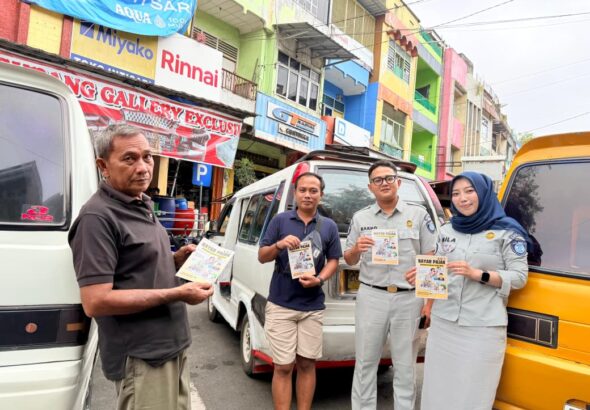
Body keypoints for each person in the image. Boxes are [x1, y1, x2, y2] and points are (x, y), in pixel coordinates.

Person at [68, 124, 213, 410]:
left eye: (147, 157)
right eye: (129, 158)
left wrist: (175, 260)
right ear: (103, 166)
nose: (143, 167)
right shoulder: (97, 218)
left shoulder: (141, 203)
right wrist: (177, 294)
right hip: (142, 358)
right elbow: (96, 302)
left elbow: (135, 265)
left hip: (172, 348)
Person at [406, 171, 528, 410]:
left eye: (469, 191)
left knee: (473, 394)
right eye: (456, 193)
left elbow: (520, 277)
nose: (462, 198)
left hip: (482, 326)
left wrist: (478, 274)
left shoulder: (507, 232)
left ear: (483, 193)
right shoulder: (447, 230)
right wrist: (421, 276)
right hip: (444, 323)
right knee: (438, 390)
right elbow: (438, 270)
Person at [345, 160, 437, 410]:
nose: (384, 183)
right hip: (371, 296)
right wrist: (356, 248)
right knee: (365, 363)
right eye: (377, 180)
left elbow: (431, 259)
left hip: (409, 299)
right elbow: (349, 259)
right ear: (370, 187)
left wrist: (429, 305)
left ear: (398, 182)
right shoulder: (361, 217)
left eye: (388, 178)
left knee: (406, 366)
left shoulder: (418, 215)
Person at [258, 172, 342, 410]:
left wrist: (319, 279)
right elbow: (262, 256)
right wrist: (279, 244)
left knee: (307, 364)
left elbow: (334, 260)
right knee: (283, 366)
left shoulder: (329, 226)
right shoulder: (280, 220)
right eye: (303, 190)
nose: (308, 195)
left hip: (312, 306)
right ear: (295, 193)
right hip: (281, 303)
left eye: (313, 191)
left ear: (321, 195)